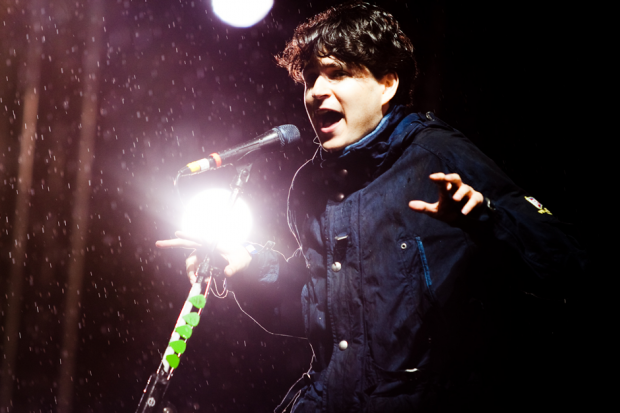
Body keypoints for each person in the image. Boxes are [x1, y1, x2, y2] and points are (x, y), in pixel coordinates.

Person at [157, 2, 586, 412]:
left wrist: (485, 220)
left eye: (337, 74)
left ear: (387, 84)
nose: (317, 92)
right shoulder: (309, 185)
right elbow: (316, 311)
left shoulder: (439, 156)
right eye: (309, 78)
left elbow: (568, 264)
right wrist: (252, 269)